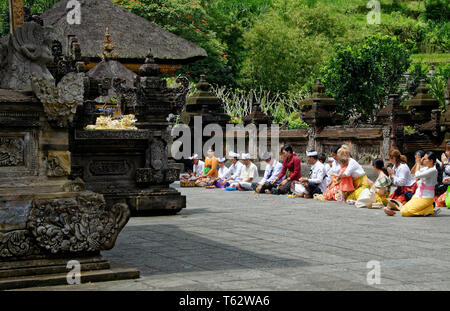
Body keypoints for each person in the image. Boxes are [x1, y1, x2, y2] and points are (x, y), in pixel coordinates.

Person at [385, 152, 440, 216]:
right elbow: (412, 172)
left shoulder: (433, 170)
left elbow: (417, 175)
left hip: (426, 198)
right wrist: (418, 163)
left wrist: (419, 163)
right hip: (418, 196)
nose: (422, 159)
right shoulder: (426, 168)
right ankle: (428, 208)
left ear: (431, 161)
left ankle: (429, 210)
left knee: (406, 212)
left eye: (424, 159)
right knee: (403, 209)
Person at [436, 141, 450, 207]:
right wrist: (442, 162)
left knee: (439, 202)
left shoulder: (447, 160)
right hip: (445, 184)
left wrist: (445, 162)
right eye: (446, 150)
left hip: (448, 185)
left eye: (448, 150)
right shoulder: (448, 159)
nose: (446, 152)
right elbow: (442, 169)